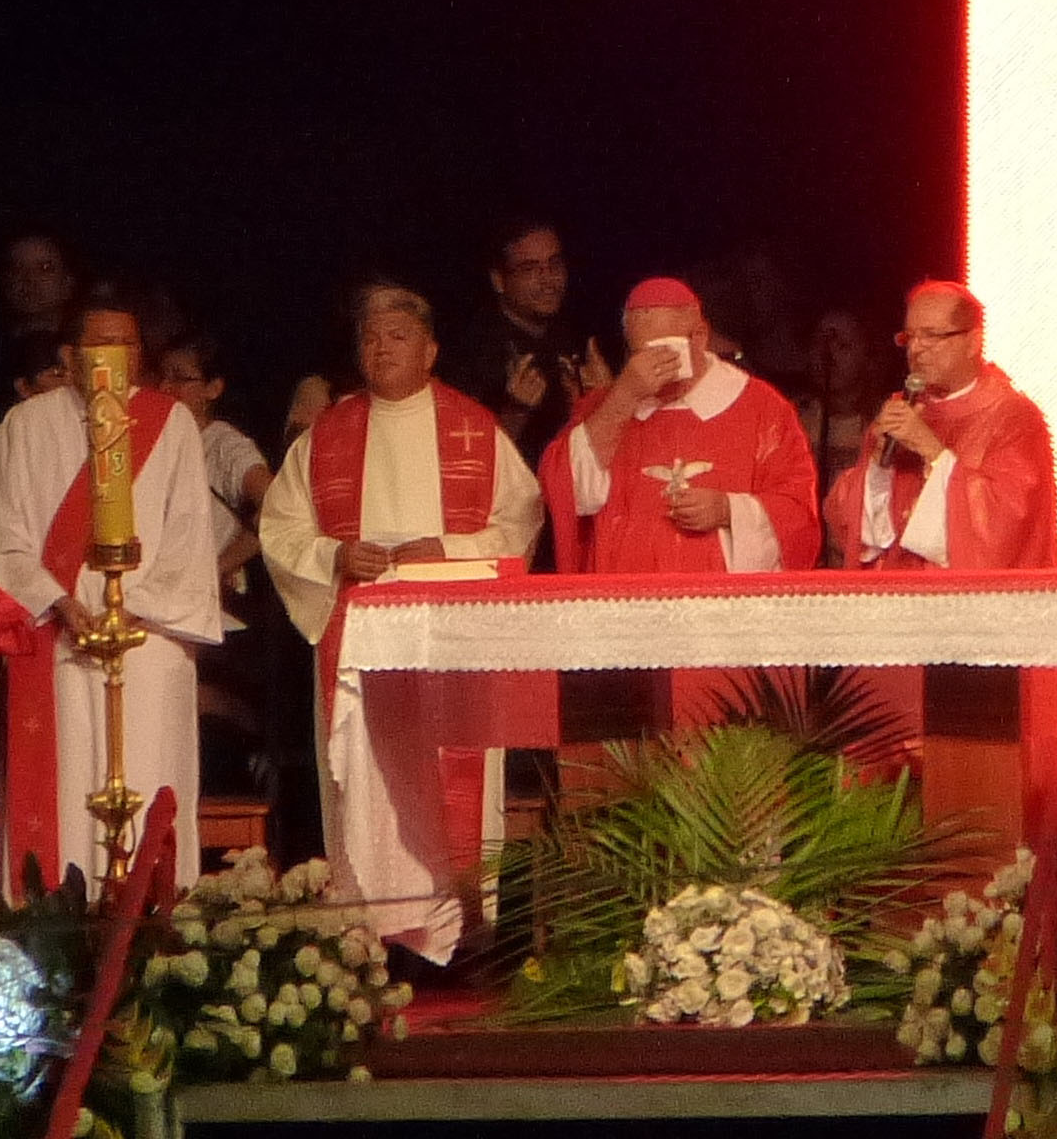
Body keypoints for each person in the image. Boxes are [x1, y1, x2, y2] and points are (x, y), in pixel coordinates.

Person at [261, 283, 542, 957]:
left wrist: (448, 548)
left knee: (451, 774)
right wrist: (334, 553)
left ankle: (462, 933)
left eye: (397, 335)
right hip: (360, 635)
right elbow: (281, 528)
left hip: (450, 636)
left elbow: (520, 521)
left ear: (431, 349)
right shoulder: (326, 436)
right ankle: (371, 936)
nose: (380, 347)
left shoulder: (474, 427)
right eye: (370, 337)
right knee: (371, 784)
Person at [0, 289, 220, 886]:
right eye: (99, 344)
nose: (114, 356)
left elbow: (191, 538)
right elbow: (5, 540)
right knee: (68, 780)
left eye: (126, 344)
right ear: (69, 355)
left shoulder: (171, 424)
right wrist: (65, 605)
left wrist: (129, 609)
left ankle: (151, 919)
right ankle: (56, 920)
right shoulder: (26, 425)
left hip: (150, 634)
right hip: (58, 632)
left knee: (148, 768)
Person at [543, 278, 820, 574]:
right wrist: (623, 397)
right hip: (623, 603)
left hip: (719, 606)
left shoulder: (763, 408)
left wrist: (727, 510)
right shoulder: (605, 405)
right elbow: (564, 492)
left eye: (665, 349)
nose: (651, 365)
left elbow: (797, 514)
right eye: (641, 352)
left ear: (699, 336)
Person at [821, 282, 1057, 570]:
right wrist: (877, 467)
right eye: (910, 337)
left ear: (973, 342)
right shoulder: (900, 411)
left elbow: (1007, 526)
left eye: (931, 336)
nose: (916, 349)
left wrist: (931, 450)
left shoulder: (1013, 418)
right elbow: (854, 533)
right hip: (899, 600)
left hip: (976, 606)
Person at [443, 218, 606, 475]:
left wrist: (602, 398)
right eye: (530, 269)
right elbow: (464, 462)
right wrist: (515, 413)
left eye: (554, 264)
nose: (548, 279)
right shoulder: (471, 351)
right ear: (499, 280)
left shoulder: (576, 334)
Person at [159, 334, 272, 602]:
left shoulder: (223, 444)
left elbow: (278, 505)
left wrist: (216, 568)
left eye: (180, 378)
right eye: (162, 376)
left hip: (209, 602)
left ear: (213, 388)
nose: (165, 387)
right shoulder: (152, 442)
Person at [0, 330, 69, 515]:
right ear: (24, 387)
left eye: (73, 372)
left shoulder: (89, 434)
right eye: (57, 374)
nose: (70, 382)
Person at [798, 307, 891, 516]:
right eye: (820, 344)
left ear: (867, 355)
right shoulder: (793, 418)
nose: (828, 356)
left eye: (843, 346)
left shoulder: (886, 422)